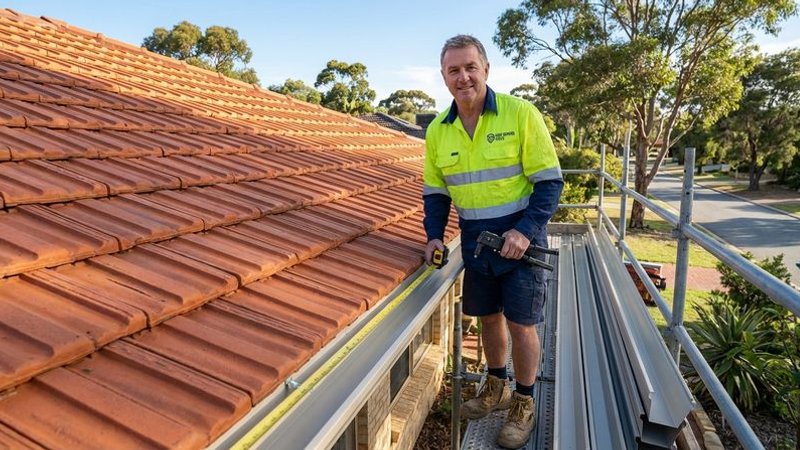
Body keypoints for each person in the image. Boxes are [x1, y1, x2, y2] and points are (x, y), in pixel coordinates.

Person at [422, 34, 563, 449]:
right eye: (453, 70)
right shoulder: (438, 131)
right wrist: (433, 236)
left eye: (470, 67)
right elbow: (436, 193)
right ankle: (496, 386)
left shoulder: (521, 114)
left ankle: (524, 401)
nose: (462, 76)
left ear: (485, 69)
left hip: (522, 240)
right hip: (475, 242)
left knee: (522, 324)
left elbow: (550, 183)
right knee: (487, 318)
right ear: (444, 77)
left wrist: (525, 231)